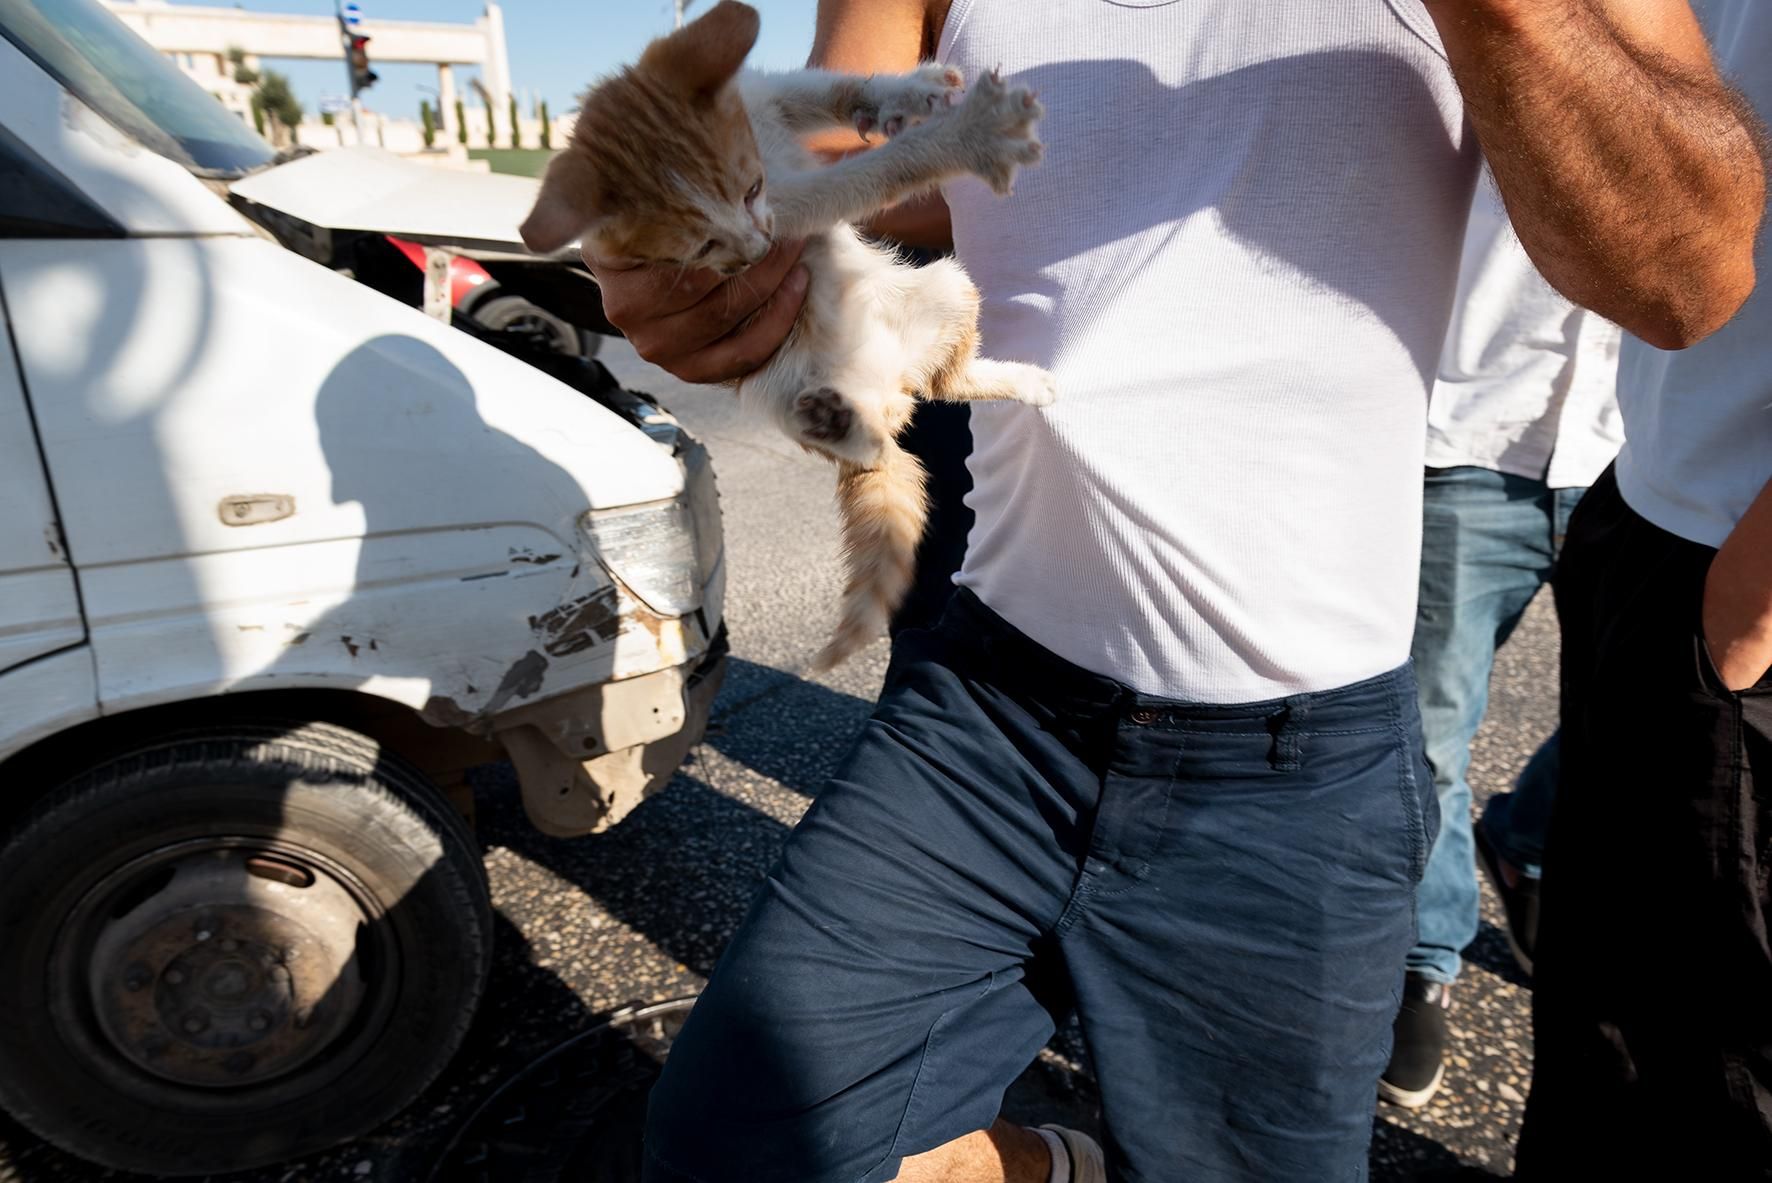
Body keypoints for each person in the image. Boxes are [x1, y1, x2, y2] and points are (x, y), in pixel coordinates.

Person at [591, 2, 1764, 1179]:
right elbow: (819, 176)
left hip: (1289, 773)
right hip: (992, 719)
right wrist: (707, 251)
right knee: (739, 1149)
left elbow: (1686, 279)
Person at [1515, 1, 1772, 1176]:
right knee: (1604, 1022)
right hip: (1659, 505)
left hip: (1731, 568)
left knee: (1715, 1068)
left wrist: (1746, 609)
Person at [1379, 181, 1624, 1110]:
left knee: (1641, 719)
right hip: (1475, 424)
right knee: (1431, 729)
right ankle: (1424, 956)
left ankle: (1522, 838)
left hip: (1641, 441)